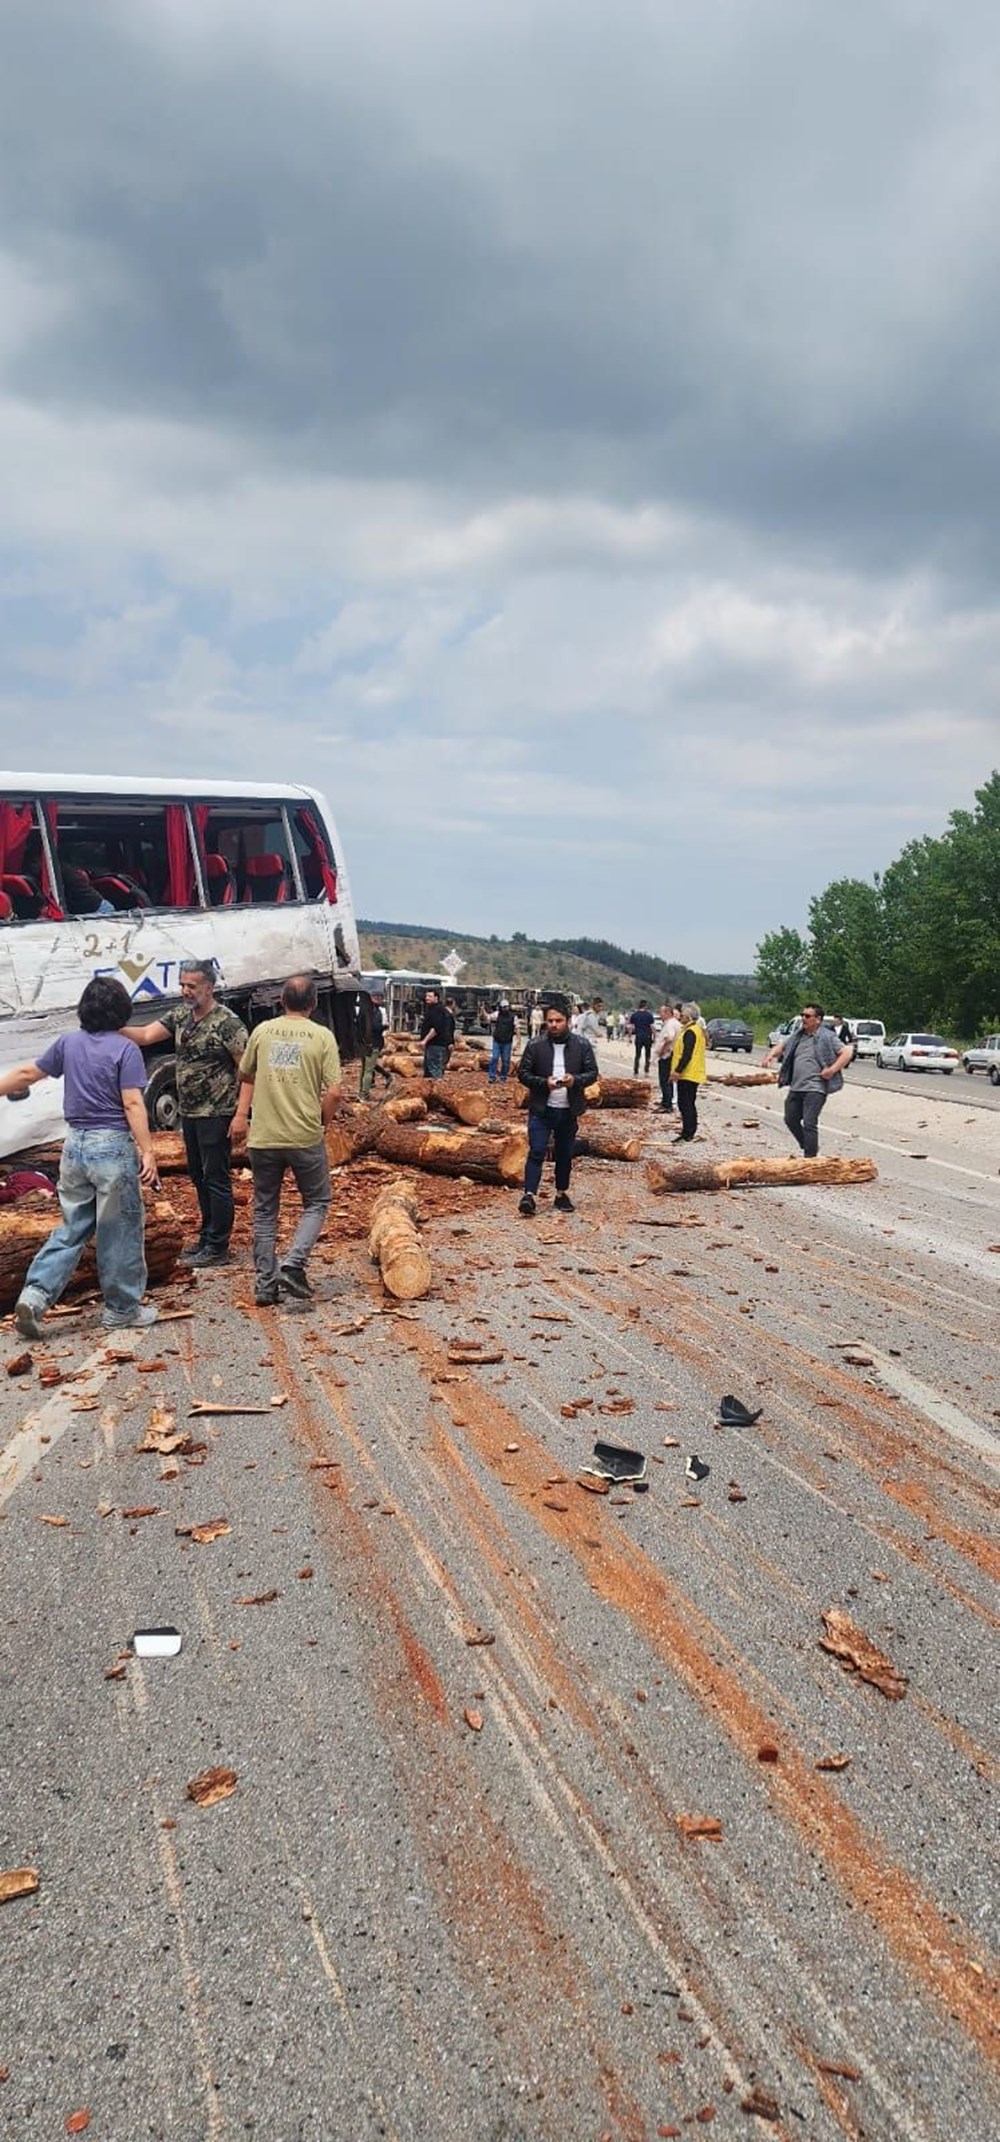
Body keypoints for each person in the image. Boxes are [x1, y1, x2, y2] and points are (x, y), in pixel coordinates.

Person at [0, 976, 159, 1338]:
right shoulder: (125, 1049)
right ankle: (122, 1310)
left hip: (74, 1147)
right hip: (111, 1147)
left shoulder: (68, 1043)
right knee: (119, 1230)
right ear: (121, 1012)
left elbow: (28, 1074)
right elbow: (132, 1102)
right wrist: (148, 1151)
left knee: (72, 1228)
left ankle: (35, 1295)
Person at [124, 959, 247, 1268]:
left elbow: (248, 1071)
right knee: (198, 1175)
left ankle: (218, 1245)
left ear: (210, 987)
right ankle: (206, 1236)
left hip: (217, 1112)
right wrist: (110, 1027)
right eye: (182, 985)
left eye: (192, 986)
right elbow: (146, 1036)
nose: (185, 991)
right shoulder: (182, 1016)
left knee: (216, 1177)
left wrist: (241, 1114)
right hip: (189, 1113)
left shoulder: (227, 1023)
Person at [230, 974, 341, 1306]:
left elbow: (246, 1075)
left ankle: (265, 1286)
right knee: (317, 1201)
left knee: (265, 1210)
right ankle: (294, 1264)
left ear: (281, 1000)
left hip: (264, 1136)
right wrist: (323, 1120)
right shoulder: (322, 1036)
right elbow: (334, 1092)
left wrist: (241, 1116)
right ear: (314, 1003)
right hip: (304, 1134)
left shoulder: (263, 1032)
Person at [516, 998, 599, 1216]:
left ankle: (561, 1193)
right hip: (542, 1108)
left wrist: (575, 1080)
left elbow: (592, 1073)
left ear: (568, 1021)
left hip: (568, 1110)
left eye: (558, 1020)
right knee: (537, 1150)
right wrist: (544, 1083)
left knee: (564, 1153)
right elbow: (523, 1074)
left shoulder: (582, 1045)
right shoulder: (535, 1045)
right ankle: (529, 1195)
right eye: (550, 1021)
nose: (553, 1024)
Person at [762, 1001, 853, 1158]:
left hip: (815, 1088)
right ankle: (808, 1145)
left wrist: (832, 1070)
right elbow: (782, 1046)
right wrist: (770, 1055)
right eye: (802, 1015)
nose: (803, 1018)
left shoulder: (827, 1036)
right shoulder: (798, 1036)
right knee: (790, 1119)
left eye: (807, 1016)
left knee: (810, 1122)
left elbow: (847, 1052)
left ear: (818, 1019)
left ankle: (810, 1158)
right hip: (796, 1086)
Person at [669, 1001, 708, 1142]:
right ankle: (689, 1131)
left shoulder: (691, 1032)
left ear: (690, 1016)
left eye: (683, 1015)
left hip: (688, 1073)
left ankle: (688, 1133)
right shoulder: (694, 1030)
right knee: (688, 1102)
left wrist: (677, 1071)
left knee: (685, 1103)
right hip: (692, 1072)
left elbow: (687, 1054)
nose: (681, 1017)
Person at [655, 1003, 681, 1112]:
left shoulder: (670, 1024)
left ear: (668, 1013)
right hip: (673, 1054)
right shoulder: (676, 1023)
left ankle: (667, 1104)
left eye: (661, 1012)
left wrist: (662, 1051)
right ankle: (667, 1101)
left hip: (667, 1055)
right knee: (668, 1080)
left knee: (664, 1080)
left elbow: (669, 1038)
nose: (660, 1014)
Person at [419, 988, 450, 1080]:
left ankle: (439, 1089)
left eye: (430, 996)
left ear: (436, 998)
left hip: (436, 1045)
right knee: (428, 1071)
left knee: (435, 1070)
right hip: (431, 1045)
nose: (427, 998)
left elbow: (436, 1029)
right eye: (426, 996)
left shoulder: (438, 1010)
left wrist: (425, 1040)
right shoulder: (431, 1009)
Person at [489, 1000, 517, 1083]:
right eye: (504, 1007)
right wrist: (483, 1010)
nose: (506, 1008)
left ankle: (503, 1077)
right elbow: (488, 1017)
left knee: (505, 1060)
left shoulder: (513, 1017)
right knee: (494, 1058)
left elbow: (517, 1028)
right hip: (497, 1040)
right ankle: (492, 1076)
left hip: (507, 1041)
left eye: (507, 1007)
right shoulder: (497, 1014)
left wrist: (518, 1041)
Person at [629, 999, 655, 1075]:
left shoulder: (634, 1015)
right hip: (647, 1036)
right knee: (648, 1055)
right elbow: (652, 1027)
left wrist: (630, 1037)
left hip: (639, 1036)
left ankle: (636, 1071)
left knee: (637, 1055)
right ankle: (646, 1071)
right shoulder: (649, 1015)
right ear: (645, 1006)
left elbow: (631, 1027)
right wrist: (655, 1037)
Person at [577, 996, 603, 1061]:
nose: (600, 1008)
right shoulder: (591, 1016)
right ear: (594, 1005)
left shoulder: (593, 1015)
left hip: (588, 1041)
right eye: (599, 1006)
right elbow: (596, 1031)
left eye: (601, 1006)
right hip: (589, 1041)